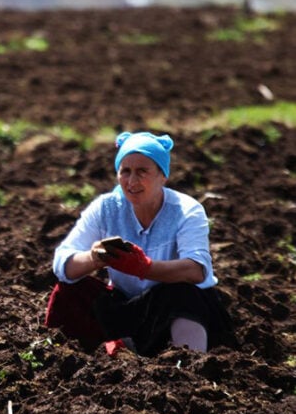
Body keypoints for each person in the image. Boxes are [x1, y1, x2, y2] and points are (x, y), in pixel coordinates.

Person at [46, 131, 236, 356]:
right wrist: (94, 258)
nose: (132, 181)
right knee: (70, 290)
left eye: (142, 171)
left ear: (162, 175)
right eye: (125, 171)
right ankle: (72, 356)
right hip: (127, 304)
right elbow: (62, 264)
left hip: (168, 308)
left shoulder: (186, 210)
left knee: (184, 294)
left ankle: (188, 365)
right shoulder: (106, 208)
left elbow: (196, 269)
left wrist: (144, 267)